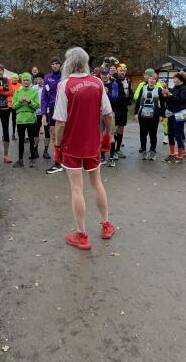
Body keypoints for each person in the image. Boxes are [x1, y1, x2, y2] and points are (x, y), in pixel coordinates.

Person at [53, 46, 115, 250]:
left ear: (69, 63)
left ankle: (82, 235)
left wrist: (57, 144)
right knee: (97, 183)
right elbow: (108, 114)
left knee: (77, 188)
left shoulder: (65, 85)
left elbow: (60, 122)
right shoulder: (97, 82)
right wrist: (107, 136)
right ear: (86, 62)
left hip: (72, 144)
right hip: (92, 143)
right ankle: (106, 224)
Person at [134, 72, 166, 160]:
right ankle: (143, 150)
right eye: (150, 78)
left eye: (154, 79)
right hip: (143, 115)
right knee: (143, 134)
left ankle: (152, 151)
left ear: (156, 81)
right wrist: (136, 113)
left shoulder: (159, 90)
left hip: (154, 115)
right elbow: (138, 101)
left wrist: (162, 115)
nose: (152, 80)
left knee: (153, 134)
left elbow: (162, 103)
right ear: (147, 79)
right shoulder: (143, 88)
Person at [12, 72, 40, 166]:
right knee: (21, 140)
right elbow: (13, 106)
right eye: (24, 80)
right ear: (22, 81)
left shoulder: (34, 92)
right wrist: (20, 101)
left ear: (30, 81)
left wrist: (29, 101)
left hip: (31, 119)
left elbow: (36, 106)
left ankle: (32, 158)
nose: (26, 82)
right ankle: (20, 160)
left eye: (28, 80)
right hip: (20, 119)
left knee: (31, 139)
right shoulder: (17, 92)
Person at [164, 71, 186, 163]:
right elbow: (170, 100)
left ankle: (180, 156)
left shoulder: (185, 88)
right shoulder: (175, 87)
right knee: (170, 133)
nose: (173, 80)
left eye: (175, 78)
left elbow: (180, 100)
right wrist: (166, 96)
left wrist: (170, 95)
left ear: (180, 79)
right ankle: (172, 154)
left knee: (178, 134)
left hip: (180, 113)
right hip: (171, 113)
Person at [42, 56, 63, 173]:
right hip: (52, 107)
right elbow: (44, 96)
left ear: (60, 65)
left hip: (64, 107)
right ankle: (57, 161)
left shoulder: (65, 76)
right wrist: (43, 113)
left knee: (65, 134)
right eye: (52, 64)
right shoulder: (47, 78)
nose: (54, 66)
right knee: (54, 135)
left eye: (56, 63)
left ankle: (66, 159)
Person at [109, 62, 133, 160]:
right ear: (117, 70)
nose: (122, 72)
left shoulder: (127, 81)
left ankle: (118, 149)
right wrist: (121, 98)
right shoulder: (112, 80)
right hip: (114, 108)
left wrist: (129, 98)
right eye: (121, 70)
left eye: (124, 71)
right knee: (114, 129)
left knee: (121, 128)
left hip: (123, 108)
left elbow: (131, 93)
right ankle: (112, 150)